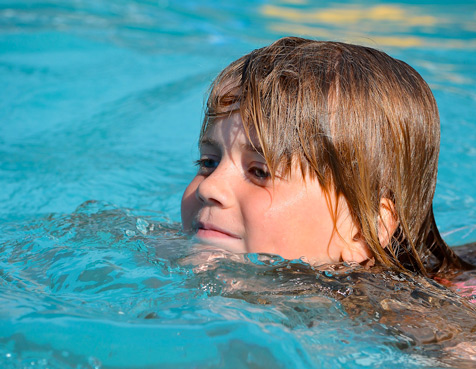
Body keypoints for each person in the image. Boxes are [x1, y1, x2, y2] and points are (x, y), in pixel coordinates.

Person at [181, 36, 473, 278]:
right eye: (208, 163)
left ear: (363, 228)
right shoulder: (165, 247)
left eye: (260, 172)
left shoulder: (410, 322)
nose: (209, 188)